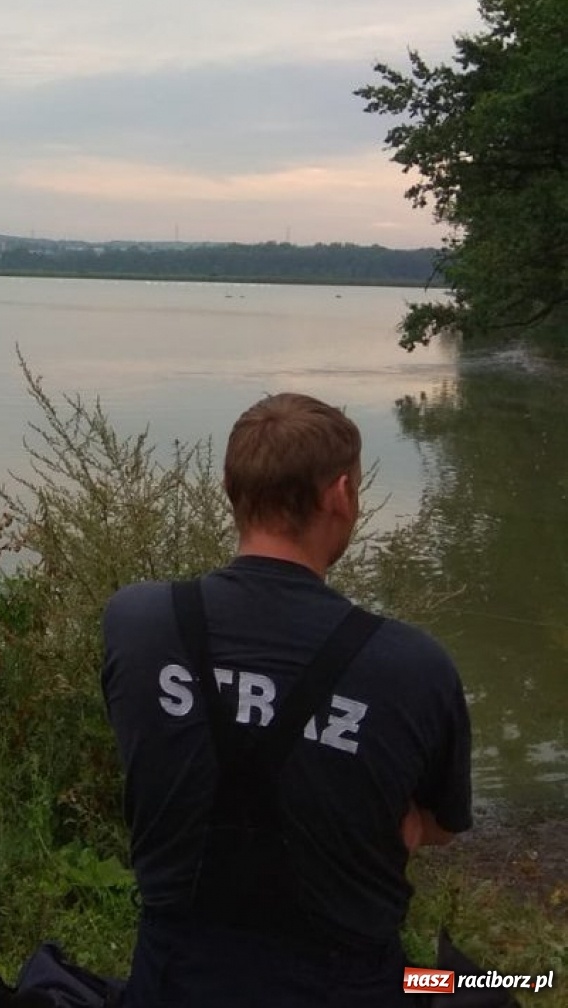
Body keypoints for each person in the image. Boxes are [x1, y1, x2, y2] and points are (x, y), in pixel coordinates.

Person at [101, 393, 472, 1007]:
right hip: (349, 986)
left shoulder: (137, 621)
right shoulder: (413, 665)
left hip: (173, 982)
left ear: (228, 487)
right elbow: (437, 827)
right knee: (481, 986)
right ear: (341, 494)